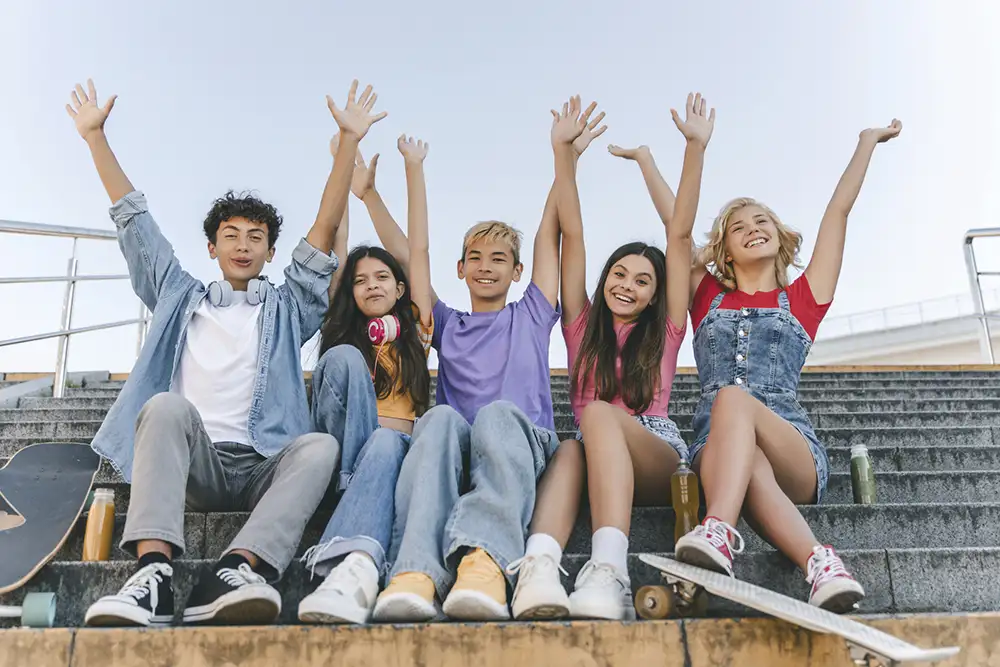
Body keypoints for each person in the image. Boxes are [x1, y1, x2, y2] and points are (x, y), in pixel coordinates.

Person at [71, 78, 385, 626]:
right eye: (232, 235)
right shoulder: (176, 294)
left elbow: (325, 227)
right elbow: (136, 225)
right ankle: (154, 576)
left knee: (318, 447)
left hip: (266, 464)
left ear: (269, 250)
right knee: (165, 407)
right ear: (212, 247)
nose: (243, 245)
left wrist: (348, 143)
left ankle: (238, 569)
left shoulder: (289, 307)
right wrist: (96, 137)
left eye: (256, 236)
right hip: (199, 464)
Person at [348, 103, 580, 623]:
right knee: (438, 419)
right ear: (460, 267)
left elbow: (551, 234)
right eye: (475, 257)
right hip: (459, 450)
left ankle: (485, 563)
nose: (486, 266)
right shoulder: (445, 323)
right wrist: (371, 194)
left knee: (497, 414)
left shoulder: (533, 314)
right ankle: (414, 572)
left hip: (521, 445)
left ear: (518, 271)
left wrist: (562, 157)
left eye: (499, 259)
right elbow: (409, 254)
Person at [674, 118, 903, 612]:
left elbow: (837, 212)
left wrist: (865, 143)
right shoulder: (706, 295)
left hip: (791, 447)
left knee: (735, 399)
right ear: (724, 252)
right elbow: (678, 232)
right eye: (739, 227)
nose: (753, 229)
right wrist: (695, 148)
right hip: (717, 449)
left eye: (762, 221)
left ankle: (717, 529)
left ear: (778, 234)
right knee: (743, 450)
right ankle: (821, 564)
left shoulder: (802, 298)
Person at [511, 93, 715, 621]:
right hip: (591, 450)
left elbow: (681, 234)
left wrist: (694, 149)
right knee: (569, 451)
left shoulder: (666, 330)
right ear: (605, 282)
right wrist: (563, 155)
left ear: (655, 296)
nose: (627, 286)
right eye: (619, 275)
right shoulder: (583, 327)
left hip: (657, 455)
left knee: (597, 414)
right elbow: (570, 233)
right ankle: (538, 566)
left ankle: (609, 571)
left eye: (642, 281)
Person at [297, 135, 434, 625]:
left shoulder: (417, 332)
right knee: (342, 360)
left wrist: (411, 169)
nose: (370, 285)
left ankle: (346, 563)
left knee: (390, 443)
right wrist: (342, 164)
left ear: (399, 289)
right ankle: (351, 485)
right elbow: (334, 243)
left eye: (381, 277)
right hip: (344, 456)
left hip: (395, 454)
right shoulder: (347, 341)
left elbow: (416, 247)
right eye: (360, 280)